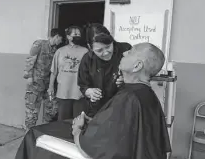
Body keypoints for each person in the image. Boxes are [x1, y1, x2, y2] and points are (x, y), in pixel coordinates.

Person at [15, 42, 171, 159]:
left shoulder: (130, 97)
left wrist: (77, 130)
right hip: (105, 136)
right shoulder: (146, 94)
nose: (123, 54)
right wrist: (95, 121)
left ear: (137, 66)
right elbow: (124, 127)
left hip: (94, 145)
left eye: (130, 52)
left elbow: (99, 147)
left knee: (35, 134)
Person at [78, 23, 132, 117]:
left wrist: (128, 79)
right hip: (98, 110)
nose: (106, 53)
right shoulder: (87, 60)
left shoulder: (125, 50)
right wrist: (89, 91)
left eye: (108, 47)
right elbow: (83, 85)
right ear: (90, 47)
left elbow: (140, 74)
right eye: (99, 50)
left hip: (124, 107)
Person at [23, 28, 64, 130]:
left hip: (47, 84)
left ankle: (44, 132)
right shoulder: (39, 44)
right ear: (57, 36)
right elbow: (30, 60)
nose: (61, 42)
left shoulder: (55, 50)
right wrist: (29, 76)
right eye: (61, 39)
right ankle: (28, 133)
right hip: (35, 84)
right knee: (32, 112)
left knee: (51, 110)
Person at [47, 26, 88, 120]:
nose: (78, 36)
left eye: (79, 34)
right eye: (75, 34)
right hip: (63, 91)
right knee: (63, 121)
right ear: (68, 37)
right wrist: (51, 87)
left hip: (79, 92)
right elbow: (54, 71)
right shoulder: (60, 51)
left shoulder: (85, 51)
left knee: (79, 121)